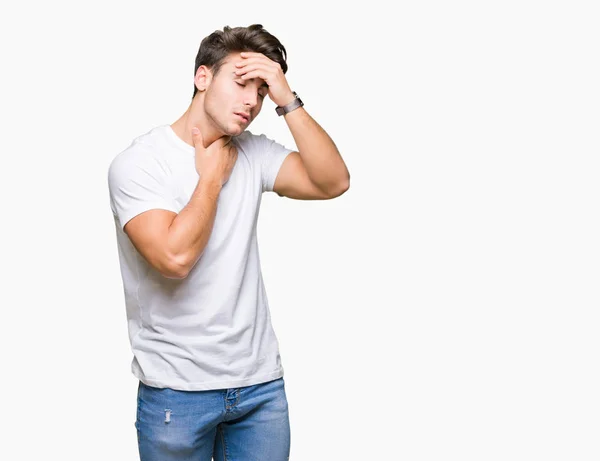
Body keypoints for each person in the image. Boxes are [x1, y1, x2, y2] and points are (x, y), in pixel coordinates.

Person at [107, 24, 350, 461]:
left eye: (261, 90)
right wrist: (212, 178)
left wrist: (287, 98)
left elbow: (333, 181)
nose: (252, 102)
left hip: (259, 389)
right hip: (177, 393)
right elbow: (174, 257)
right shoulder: (140, 163)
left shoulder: (253, 151)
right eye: (242, 84)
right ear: (203, 77)